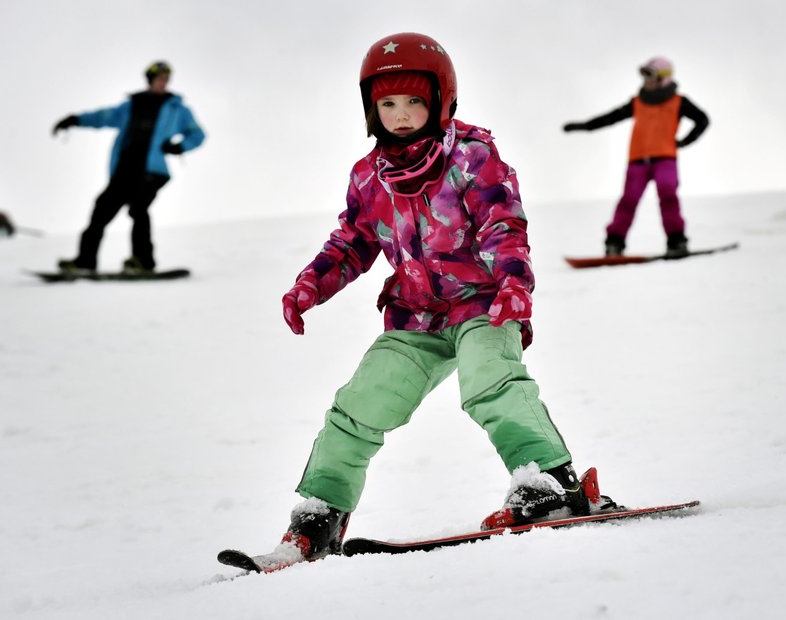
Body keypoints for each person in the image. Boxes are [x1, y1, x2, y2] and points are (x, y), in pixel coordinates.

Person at [256, 32, 621, 571]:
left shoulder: (473, 157)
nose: (400, 115)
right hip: (416, 317)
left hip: (483, 304)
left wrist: (516, 285)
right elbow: (352, 242)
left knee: (490, 381)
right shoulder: (368, 177)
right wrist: (310, 286)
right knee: (360, 404)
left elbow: (503, 226)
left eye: (414, 102)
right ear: (370, 109)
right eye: (387, 104)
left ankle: (550, 482)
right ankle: (319, 516)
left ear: (441, 100)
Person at [51, 61, 205, 274]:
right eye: (159, 78)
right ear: (150, 80)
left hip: (152, 171)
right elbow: (102, 117)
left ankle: (143, 261)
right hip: (125, 168)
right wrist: (75, 120)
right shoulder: (132, 105)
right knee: (101, 210)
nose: (163, 83)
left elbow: (198, 134)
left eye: (166, 79)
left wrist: (179, 147)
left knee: (138, 208)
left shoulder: (177, 109)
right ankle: (85, 261)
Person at [564, 56, 709, 257]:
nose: (645, 80)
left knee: (668, 194)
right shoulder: (638, 102)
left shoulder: (679, 102)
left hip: (665, 159)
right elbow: (610, 118)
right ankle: (614, 242)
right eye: (644, 75)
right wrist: (584, 126)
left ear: (663, 78)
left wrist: (685, 141)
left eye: (650, 75)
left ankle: (676, 240)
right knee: (628, 200)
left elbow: (703, 120)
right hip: (637, 161)